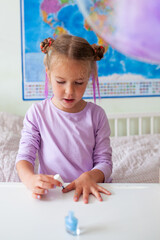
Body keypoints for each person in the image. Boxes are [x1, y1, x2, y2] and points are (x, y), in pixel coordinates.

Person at [16, 34, 112, 204]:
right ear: (48, 74)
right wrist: (30, 179)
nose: (69, 91)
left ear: (89, 77)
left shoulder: (97, 115)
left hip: (88, 193)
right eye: (60, 81)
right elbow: (24, 157)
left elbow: (104, 163)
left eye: (79, 82)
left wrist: (91, 176)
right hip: (52, 194)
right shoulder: (37, 113)